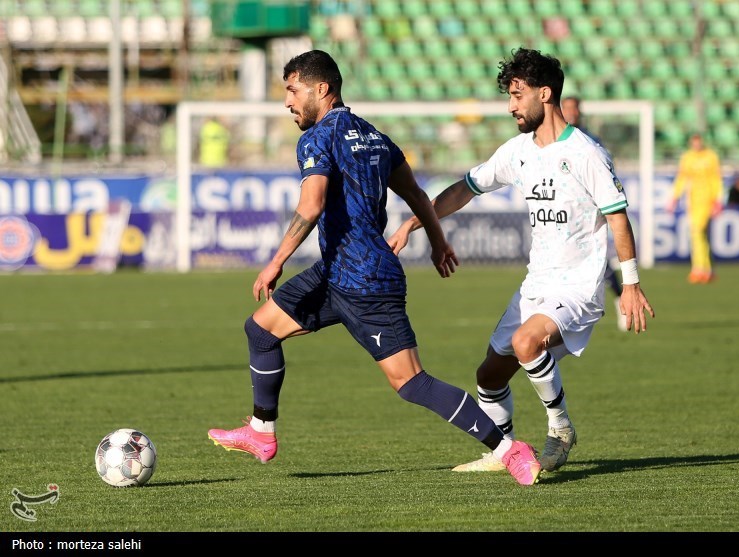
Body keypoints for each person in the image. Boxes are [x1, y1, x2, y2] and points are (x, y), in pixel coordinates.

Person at [207, 50, 542, 486]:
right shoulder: (375, 137)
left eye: (292, 91)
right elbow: (418, 197)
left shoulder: (316, 138)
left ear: (321, 89)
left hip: (365, 282)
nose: (287, 102)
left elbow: (311, 205)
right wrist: (439, 243)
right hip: (336, 273)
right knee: (261, 330)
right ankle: (261, 432)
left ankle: (509, 449)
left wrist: (274, 263)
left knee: (412, 383)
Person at [388, 48, 655, 474]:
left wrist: (632, 283)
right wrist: (414, 224)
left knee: (526, 343)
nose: (510, 105)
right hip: (537, 285)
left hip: (577, 286)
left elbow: (617, 216)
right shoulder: (519, 151)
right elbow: (465, 188)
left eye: (517, 95)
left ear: (544, 94)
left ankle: (560, 429)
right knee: (488, 378)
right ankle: (504, 452)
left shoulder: (586, 153)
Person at [561, 95, 626, 332]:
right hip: (563, 211)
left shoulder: (590, 141)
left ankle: (620, 298)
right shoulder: (551, 139)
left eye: (574, 109)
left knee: (597, 258)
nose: (571, 113)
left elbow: (605, 172)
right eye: (566, 108)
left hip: (588, 209)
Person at [667, 132, 723, 284]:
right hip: (692, 200)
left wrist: (718, 200)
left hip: (707, 200)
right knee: (699, 234)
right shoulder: (687, 157)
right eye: (694, 142)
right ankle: (705, 268)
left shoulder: (710, 156)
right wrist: (674, 198)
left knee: (698, 232)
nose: (697, 145)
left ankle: (700, 269)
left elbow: (716, 179)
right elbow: (682, 178)